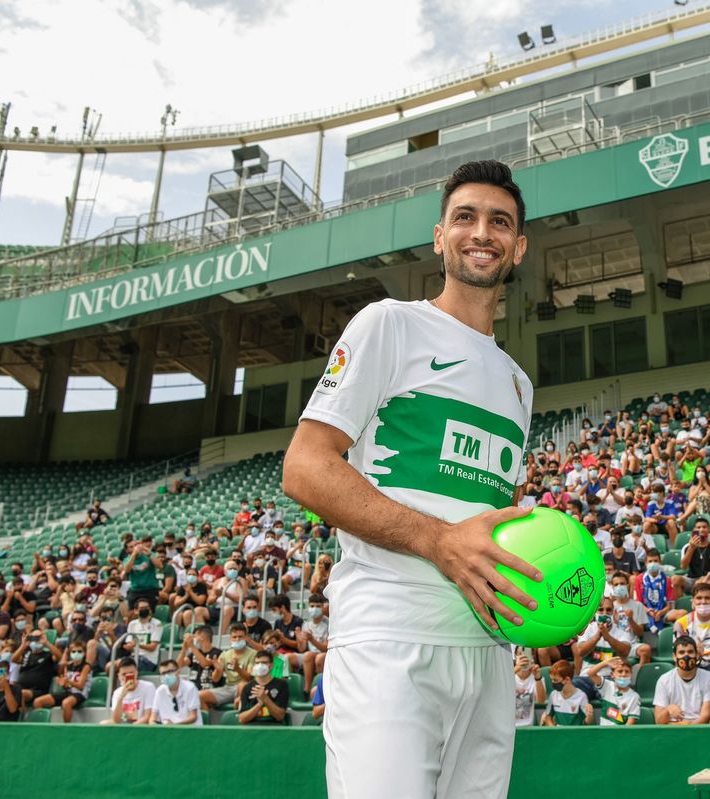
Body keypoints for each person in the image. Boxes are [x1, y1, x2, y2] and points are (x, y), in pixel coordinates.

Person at [283, 160, 536, 796]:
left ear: (519, 246)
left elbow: (495, 522)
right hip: (391, 639)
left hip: (489, 654)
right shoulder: (389, 322)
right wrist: (435, 540)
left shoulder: (518, 383)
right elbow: (305, 466)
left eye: (499, 222)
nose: (482, 232)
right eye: (466, 218)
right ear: (439, 236)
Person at [673, 583, 710, 671]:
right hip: (693, 666)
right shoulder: (681, 624)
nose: (703, 601)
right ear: (693, 601)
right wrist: (697, 656)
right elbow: (679, 658)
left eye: (707, 598)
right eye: (699, 598)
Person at [198, 623, 254, 711]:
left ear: (246, 637)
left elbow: (249, 678)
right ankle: (206, 723)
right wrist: (218, 670)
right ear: (230, 639)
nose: (237, 639)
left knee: (242, 685)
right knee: (198, 696)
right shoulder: (225, 654)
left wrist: (237, 669)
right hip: (228, 688)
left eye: (240, 636)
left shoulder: (253, 654)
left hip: (245, 687)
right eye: (234, 637)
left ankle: (238, 715)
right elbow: (215, 679)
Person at [238, 649, 289, 725]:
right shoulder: (247, 687)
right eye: (257, 663)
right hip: (252, 728)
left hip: (274, 727)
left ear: (271, 666)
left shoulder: (282, 685)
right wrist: (259, 705)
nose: (260, 666)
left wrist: (265, 698)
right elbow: (242, 719)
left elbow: (280, 716)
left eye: (264, 663)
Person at [586, 656, 641, 726]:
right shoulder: (607, 686)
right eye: (620, 671)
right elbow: (590, 673)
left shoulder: (634, 697)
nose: (623, 674)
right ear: (612, 675)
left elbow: (629, 724)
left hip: (620, 734)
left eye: (627, 672)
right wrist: (605, 663)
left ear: (631, 674)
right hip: (604, 732)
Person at [151, 658, 201, 725]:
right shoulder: (159, 691)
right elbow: (152, 718)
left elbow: (193, 716)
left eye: (169, 672)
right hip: (167, 732)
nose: (166, 675)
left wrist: (174, 726)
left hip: (190, 732)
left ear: (178, 671)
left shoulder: (190, 688)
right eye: (163, 673)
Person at [106, 657, 155, 724]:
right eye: (124, 674)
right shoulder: (117, 692)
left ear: (136, 673)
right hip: (124, 725)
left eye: (131, 673)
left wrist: (131, 729)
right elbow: (116, 720)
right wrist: (121, 697)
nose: (128, 676)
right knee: (104, 723)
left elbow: (147, 716)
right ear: (119, 676)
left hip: (141, 726)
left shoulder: (148, 687)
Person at [513, 652, 544, 728]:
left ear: (532, 658)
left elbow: (541, 701)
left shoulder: (537, 677)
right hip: (509, 727)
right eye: (520, 654)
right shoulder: (509, 675)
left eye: (526, 654)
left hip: (528, 726)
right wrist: (515, 669)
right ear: (516, 657)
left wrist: (537, 679)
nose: (523, 657)